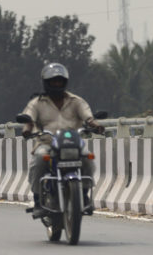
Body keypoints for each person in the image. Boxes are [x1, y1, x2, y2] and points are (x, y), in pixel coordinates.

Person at [21, 62, 104, 218]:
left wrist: (96, 125)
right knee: (39, 159)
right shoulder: (37, 103)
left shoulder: (76, 101)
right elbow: (29, 118)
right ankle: (38, 200)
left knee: (88, 157)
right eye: (53, 81)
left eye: (59, 81)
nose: (57, 84)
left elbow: (88, 117)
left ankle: (84, 194)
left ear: (65, 82)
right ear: (46, 83)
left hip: (73, 143)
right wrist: (27, 129)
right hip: (47, 143)